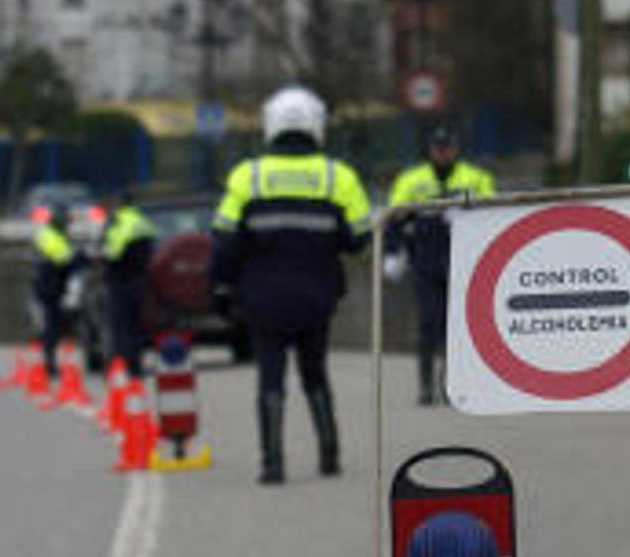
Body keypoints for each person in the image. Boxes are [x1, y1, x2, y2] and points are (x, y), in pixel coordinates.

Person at [211, 86, 371, 486]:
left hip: (263, 298)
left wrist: (220, 287)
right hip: (317, 297)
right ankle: (330, 455)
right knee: (315, 373)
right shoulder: (339, 176)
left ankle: (273, 463)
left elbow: (224, 242)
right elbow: (360, 237)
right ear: (317, 126)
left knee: (270, 377)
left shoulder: (248, 177)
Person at [387, 126, 495, 405]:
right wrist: (392, 251)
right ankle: (424, 385)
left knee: (457, 327)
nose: (443, 153)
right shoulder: (411, 179)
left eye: (448, 147)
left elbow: (494, 213)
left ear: (456, 148)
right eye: (438, 147)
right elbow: (394, 217)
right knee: (427, 323)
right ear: (431, 149)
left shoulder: (476, 177)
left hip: (464, 259)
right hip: (425, 259)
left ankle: (451, 384)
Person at [101, 191, 156, 377]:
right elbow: (150, 252)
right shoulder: (143, 222)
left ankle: (120, 367)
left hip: (119, 281)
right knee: (135, 326)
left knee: (119, 327)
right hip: (139, 281)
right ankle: (136, 367)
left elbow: (111, 254)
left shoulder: (117, 223)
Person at [32, 204, 86, 377]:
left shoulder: (55, 235)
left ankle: (52, 362)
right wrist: (79, 258)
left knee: (56, 325)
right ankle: (50, 363)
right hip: (50, 286)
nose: (67, 226)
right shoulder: (49, 236)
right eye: (66, 223)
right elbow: (63, 259)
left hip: (53, 285)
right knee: (52, 326)